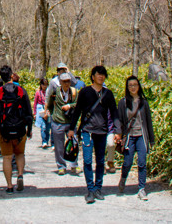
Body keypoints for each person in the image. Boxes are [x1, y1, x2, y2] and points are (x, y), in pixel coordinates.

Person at [67, 65, 119, 204]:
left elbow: (114, 113)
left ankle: (98, 188)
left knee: (100, 162)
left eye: (103, 74)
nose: (101, 76)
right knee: (88, 161)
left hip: (102, 131)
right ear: (93, 76)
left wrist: (117, 130)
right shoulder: (84, 92)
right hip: (87, 131)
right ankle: (90, 189)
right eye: (98, 74)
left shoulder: (108, 94)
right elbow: (77, 111)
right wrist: (72, 128)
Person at [0, 65, 33, 193]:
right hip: (20, 128)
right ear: (12, 75)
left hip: (4, 130)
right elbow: (28, 112)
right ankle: (20, 175)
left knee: (7, 157)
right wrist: (29, 129)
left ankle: (9, 186)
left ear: (1, 78)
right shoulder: (21, 91)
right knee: (19, 154)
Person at [115, 75, 155, 200]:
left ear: (139, 86)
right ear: (127, 87)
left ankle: (142, 188)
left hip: (142, 136)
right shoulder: (123, 102)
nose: (133, 87)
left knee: (142, 162)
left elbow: (148, 121)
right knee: (127, 162)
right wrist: (119, 135)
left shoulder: (144, 102)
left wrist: (152, 139)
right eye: (130, 85)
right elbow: (120, 120)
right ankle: (123, 178)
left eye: (135, 85)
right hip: (129, 136)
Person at [47, 71, 79, 174]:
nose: (66, 84)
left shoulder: (74, 92)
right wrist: (53, 115)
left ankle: (74, 164)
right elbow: (50, 104)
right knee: (59, 145)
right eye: (64, 81)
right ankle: (61, 166)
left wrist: (69, 106)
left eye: (68, 81)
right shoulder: (55, 92)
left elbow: (78, 105)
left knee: (74, 143)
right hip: (58, 122)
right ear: (60, 82)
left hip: (70, 122)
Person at [33, 78, 51, 148]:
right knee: (43, 126)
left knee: (48, 126)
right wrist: (35, 113)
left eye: (46, 85)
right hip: (40, 109)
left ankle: (47, 139)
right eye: (44, 85)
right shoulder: (38, 92)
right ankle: (44, 141)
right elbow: (35, 103)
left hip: (48, 109)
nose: (45, 87)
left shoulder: (49, 92)